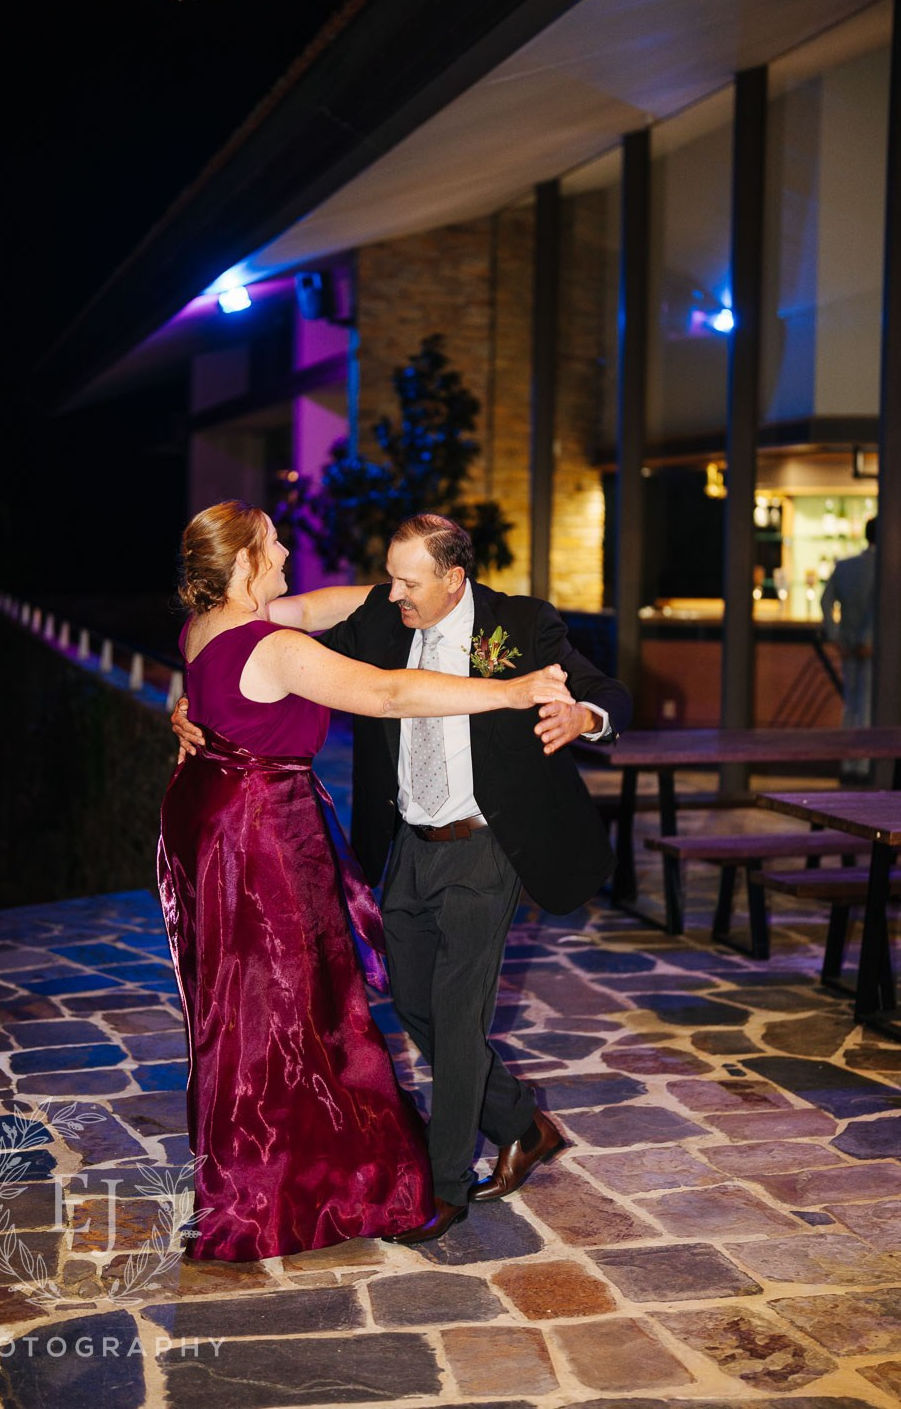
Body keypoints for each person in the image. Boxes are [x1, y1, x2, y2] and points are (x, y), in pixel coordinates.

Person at [174, 511, 632, 1246]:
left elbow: (611, 692)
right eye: (387, 578)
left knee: (455, 1018)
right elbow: (346, 670)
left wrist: (583, 716)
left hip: (489, 843)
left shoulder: (522, 626)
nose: (389, 595)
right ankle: (521, 1122)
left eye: (406, 581)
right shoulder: (385, 618)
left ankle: (445, 1187)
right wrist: (193, 702)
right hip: (410, 842)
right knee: (411, 999)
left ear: (455, 580)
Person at [820, 515, 877, 781]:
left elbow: (825, 601)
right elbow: (879, 607)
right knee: (867, 705)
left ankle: (848, 764)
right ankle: (863, 767)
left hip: (848, 645)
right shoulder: (887, 566)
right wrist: (869, 639)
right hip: (874, 649)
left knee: (851, 704)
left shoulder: (845, 566)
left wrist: (836, 636)